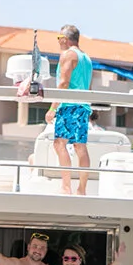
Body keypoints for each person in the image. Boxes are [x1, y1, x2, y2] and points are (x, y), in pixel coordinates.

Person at [45, 24, 93, 195]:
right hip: (83, 105)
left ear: (64, 39)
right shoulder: (86, 58)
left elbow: (63, 83)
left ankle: (66, 187)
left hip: (68, 106)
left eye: (59, 38)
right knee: (80, 147)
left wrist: (52, 108)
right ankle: (82, 189)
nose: (58, 42)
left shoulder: (68, 55)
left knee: (59, 144)